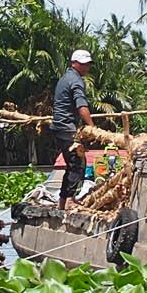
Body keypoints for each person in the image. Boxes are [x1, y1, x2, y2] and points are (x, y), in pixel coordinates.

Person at [50, 48, 95, 205]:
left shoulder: (65, 78)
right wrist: (92, 127)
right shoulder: (75, 80)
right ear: (74, 63)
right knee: (78, 163)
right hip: (66, 126)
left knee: (72, 165)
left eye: (88, 64)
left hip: (60, 126)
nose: (86, 68)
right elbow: (81, 106)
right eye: (84, 64)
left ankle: (64, 200)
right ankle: (68, 199)